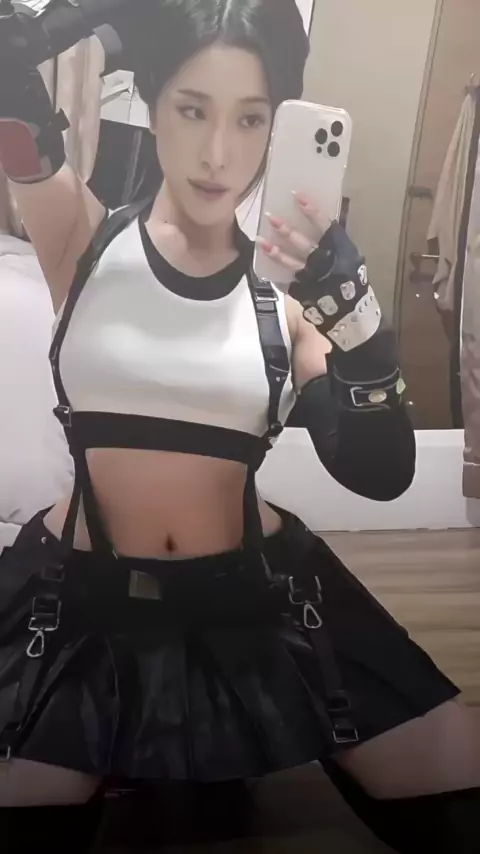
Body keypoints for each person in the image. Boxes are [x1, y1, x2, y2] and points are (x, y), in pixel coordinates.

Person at [0, 1, 478, 852]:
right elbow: (10, 93)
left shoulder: (286, 301)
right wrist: (73, 24)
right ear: (154, 105)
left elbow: (380, 472)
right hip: (75, 602)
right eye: (192, 109)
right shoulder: (79, 233)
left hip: (260, 601)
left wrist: (361, 327)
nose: (218, 153)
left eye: (251, 118)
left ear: (278, 126)